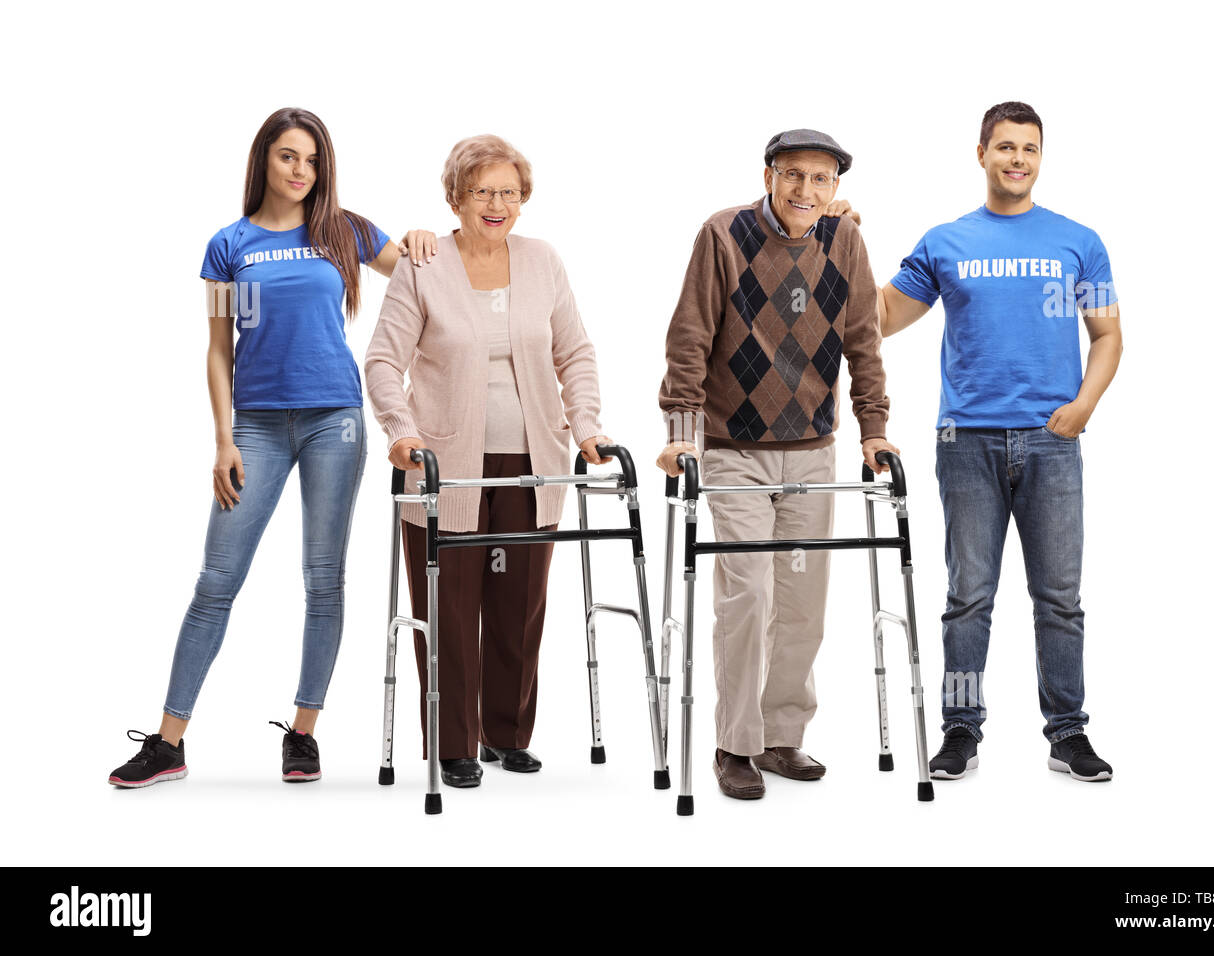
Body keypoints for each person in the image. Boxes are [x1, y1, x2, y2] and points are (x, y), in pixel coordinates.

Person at [108, 107, 437, 789]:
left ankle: (303, 733)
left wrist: (420, 237)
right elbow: (218, 349)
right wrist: (223, 438)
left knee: (324, 578)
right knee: (216, 582)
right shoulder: (228, 244)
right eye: (288, 156)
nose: (300, 171)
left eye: (312, 160)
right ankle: (169, 742)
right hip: (255, 425)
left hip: (335, 420)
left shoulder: (344, 231)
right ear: (264, 160)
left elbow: (419, 276)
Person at [878, 101, 1123, 782]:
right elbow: (879, 316)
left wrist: (1084, 404)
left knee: (1059, 599)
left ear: (1040, 159)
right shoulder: (946, 242)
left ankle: (1068, 732)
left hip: (1052, 443)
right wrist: (833, 246)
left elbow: (1108, 336)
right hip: (966, 443)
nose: (1018, 159)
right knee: (968, 598)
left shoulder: (1079, 241)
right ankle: (960, 730)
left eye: (1030, 149)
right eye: (1006, 147)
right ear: (981, 153)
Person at [657, 129, 897, 800]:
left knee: (800, 603)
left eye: (821, 180)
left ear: (836, 190)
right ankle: (734, 745)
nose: (805, 191)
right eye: (793, 175)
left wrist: (873, 431)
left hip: (812, 454)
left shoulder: (843, 240)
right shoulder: (723, 235)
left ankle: (780, 736)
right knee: (748, 594)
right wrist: (682, 434)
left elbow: (863, 342)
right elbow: (689, 336)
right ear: (768, 175)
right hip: (733, 450)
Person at [365, 134, 612, 789]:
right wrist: (401, 429)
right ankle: (454, 743)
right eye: (482, 192)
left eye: (508, 192)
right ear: (456, 197)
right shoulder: (424, 263)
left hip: (534, 462)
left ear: (522, 199)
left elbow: (576, 353)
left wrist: (586, 426)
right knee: (450, 607)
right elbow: (384, 360)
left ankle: (506, 735)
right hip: (447, 465)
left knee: (518, 603)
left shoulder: (542, 262)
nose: (496, 204)